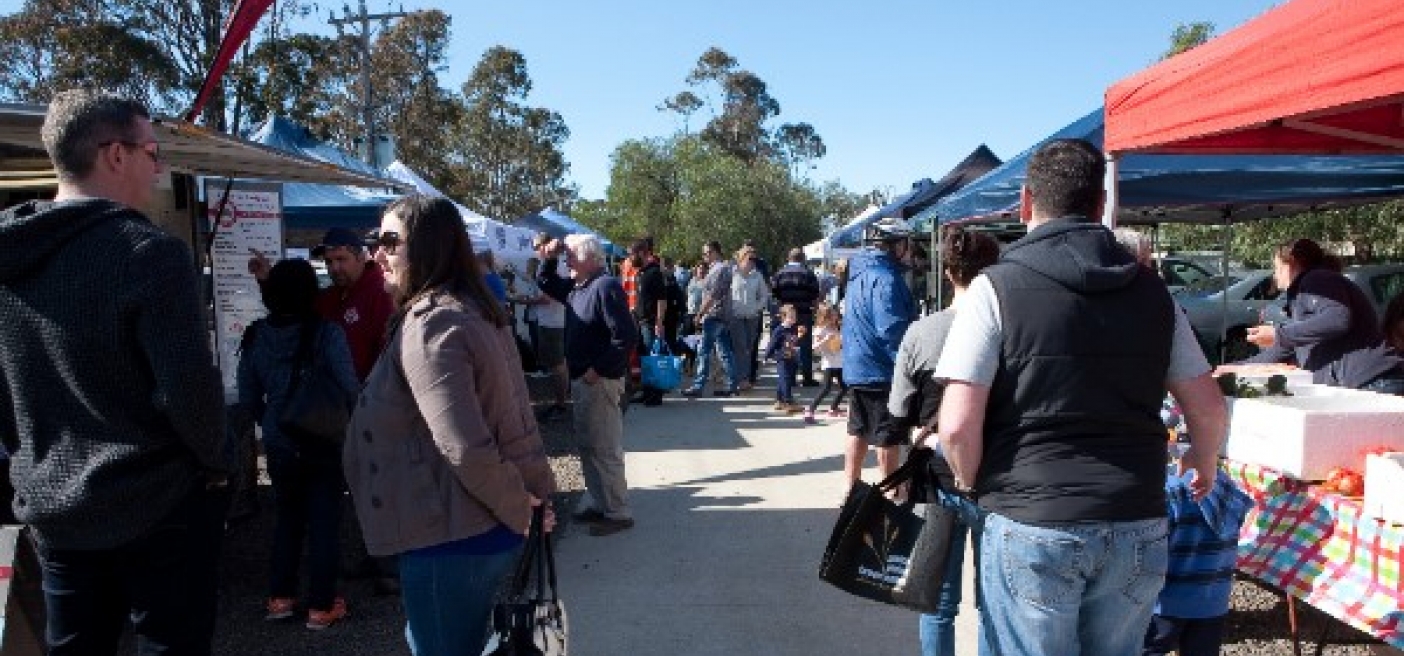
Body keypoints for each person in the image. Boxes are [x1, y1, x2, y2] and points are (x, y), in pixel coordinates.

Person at [934, 139, 1228, 656]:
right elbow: (1205, 402)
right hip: (1134, 516)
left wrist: (969, 481)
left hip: (1032, 516)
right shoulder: (1152, 292)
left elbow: (956, 425)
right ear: (1099, 206)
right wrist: (1203, 459)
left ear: (1026, 203)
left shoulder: (993, 289)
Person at [0, 89, 230, 655]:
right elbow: (189, 392)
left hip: (54, 506)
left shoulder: (10, 257)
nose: (161, 168)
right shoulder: (148, 255)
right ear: (115, 154)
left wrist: (31, 463)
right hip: (160, 506)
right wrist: (220, 462)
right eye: (153, 151)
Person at [345, 195, 556, 655]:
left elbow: (466, 446)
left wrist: (524, 507)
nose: (377, 253)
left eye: (388, 241)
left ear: (426, 246)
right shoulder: (471, 309)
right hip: (463, 529)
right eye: (374, 241)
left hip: (451, 536)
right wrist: (531, 501)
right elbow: (511, 416)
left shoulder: (433, 324)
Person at [887, 229, 1001, 656]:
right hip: (995, 482)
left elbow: (897, 414)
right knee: (993, 604)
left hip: (933, 483)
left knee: (936, 602)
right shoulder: (1008, 331)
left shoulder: (921, 333)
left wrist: (896, 468)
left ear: (948, 272)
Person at [237, 259, 359, 629]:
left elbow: (247, 395)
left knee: (287, 518)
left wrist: (270, 419)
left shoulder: (256, 334)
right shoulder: (328, 333)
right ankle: (321, 606)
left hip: (279, 439)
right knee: (324, 520)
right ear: (311, 292)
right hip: (322, 438)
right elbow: (350, 387)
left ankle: (280, 598)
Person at [1239, 237, 1404, 394]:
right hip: (1367, 383)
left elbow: (1337, 318)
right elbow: (1281, 350)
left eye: (1277, 268)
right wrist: (1233, 369)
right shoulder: (1305, 292)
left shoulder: (1316, 279)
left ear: (1291, 264)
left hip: (1373, 381)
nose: (1275, 275)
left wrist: (1278, 334)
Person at [563, 233, 639, 536]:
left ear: (590, 258)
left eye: (571, 254)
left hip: (598, 381)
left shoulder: (604, 286)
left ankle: (618, 511)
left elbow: (625, 336)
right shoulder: (581, 286)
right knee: (588, 445)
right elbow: (548, 284)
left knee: (604, 447)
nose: (567, 258)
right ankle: (601, 502)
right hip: (584, 379)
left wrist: (597, 370)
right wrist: (547, 259)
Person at [1143, 460, 1253, 656]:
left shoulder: (1167, 489)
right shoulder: (1224, 483)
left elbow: (1150, 551)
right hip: (1213, 600)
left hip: (1167, 602)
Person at [840, 218, 916, 485]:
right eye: (906, 244)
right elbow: (891, 329)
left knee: (858, 430)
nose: (908, 250)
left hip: (857, 364)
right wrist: (908, 366)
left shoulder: (858, 273)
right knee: (887, 435)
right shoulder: (886, 279)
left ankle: (850, 487)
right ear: (895, 245)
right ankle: (890, 491)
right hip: (879, 368)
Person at [683, 241, 740, 397]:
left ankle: (698, 386)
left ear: (715, 252)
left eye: (707, 253)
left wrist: (700, 313)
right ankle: (732, 385)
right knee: (725, 351)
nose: (705, 256)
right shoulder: (721, 269)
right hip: (721, 315)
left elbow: (713, 295)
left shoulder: (719, 270)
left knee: (704, 351)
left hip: (714, 315)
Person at [532, 234, 572, 418]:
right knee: (557, 364)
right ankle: (562, 399)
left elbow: (551, 295)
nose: (535, 251)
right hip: (549, 320)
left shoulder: (558, 265)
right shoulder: (546, 264)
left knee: (558, 365)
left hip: (554, 321)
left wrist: (523, 300)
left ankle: (561, 404)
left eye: (536, 246)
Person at [773, 247, 823, 385]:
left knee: (788, 345)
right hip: (803, 314)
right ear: (803, 258)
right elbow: (815, 295)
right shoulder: (808, 274)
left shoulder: (780, 274)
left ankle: (790, 377)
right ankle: (807, 377)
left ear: (789, 258)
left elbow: (775, 293)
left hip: (786, 314)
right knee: (805, 346)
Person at [630, 238, 669, 406]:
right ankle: (646, 391)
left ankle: (655, 394)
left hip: (650, 322)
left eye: (631, 254)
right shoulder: (640, 273)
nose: (630, 258)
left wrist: (659, 322)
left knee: (653, 359)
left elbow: (662, 299)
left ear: (641, 253)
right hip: (639, 321)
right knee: (644, 358)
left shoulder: (654, 273)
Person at [730, 248, 768, 391]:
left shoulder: (757, 276)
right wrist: (732, 308)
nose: (752, 262)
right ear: (741, 258)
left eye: (754, 259)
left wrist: (756, 307)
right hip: (736, 316)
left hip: (752, 317)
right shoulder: (732, 273)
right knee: (740, 347)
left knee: (749, 348)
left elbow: (764, 296)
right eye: (750, 259)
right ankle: (741, 378)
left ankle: (743, 377)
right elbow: (726, 293)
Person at [805, 302, 848, 424]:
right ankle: (810, 409)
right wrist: (825, 339)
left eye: (836, 315)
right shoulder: (820, 330)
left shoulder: (838, 327)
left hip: (840, 362)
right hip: (829, 364)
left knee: (844, 387)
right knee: (826, 389)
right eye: (832, 316)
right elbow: (814, 348)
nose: (835, 318)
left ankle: (833, 408)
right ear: (825, 317)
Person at [764, 304, 805, 413]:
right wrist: (767, 355)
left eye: (794, 316)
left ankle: (780, 400)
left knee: (784, 379)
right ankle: (788, 401)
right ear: (783, 317)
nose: (793, 319)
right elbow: (772, 343)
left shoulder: (793, 329)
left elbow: (793, 342)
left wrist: (800, 335)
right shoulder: (779, 330)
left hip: (791, 357)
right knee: (785, 379)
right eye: (790, 317)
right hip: (782, 358)